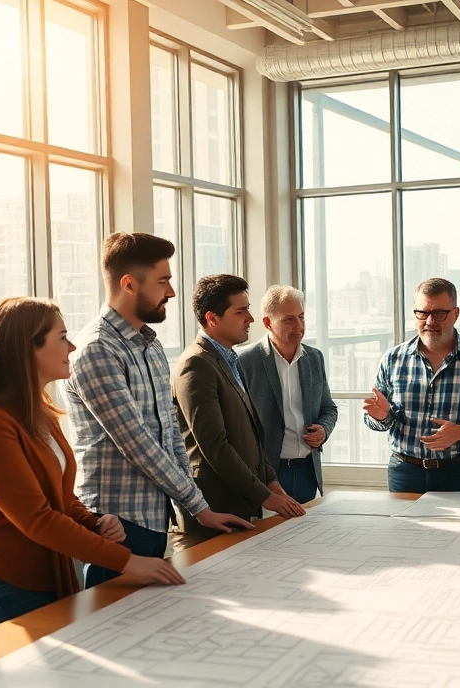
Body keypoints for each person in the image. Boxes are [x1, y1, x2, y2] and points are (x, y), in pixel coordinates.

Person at [0, 297, 192, 631]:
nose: (72, 346)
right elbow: (37, 518)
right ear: (27, 348)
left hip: (44, 571)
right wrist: (130, 561)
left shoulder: (39, 412)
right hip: (0, 583)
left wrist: (93, 522)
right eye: (61, 338)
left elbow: (58, 496)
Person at [65, 233, 252, 587]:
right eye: (163, 281)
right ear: (129, 284)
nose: (172, 292)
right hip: (115, 524)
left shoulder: (150, 346)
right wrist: (199, 507)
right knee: (110, 627)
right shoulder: (97, 350)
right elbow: (139, 445)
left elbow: (169, 435)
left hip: (155, 517)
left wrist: (193, 507)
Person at [175, 275, 305, 546]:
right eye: (241, 311)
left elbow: (251, 436)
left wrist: (271, 483)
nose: (251, 318)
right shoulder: (196, 365)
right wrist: (266, 496)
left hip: (239, 505)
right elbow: (216, 447)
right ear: (212, 318)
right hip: (214, 512)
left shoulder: (229, 359)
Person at [364, 278, 460, 493]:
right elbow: (378, 421)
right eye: (422, 313)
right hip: (405, 471)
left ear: (456, 313)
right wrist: (380, 416)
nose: (430, 321)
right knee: (404, 528)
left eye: (439, 314)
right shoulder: (393, 358)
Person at [238, 285, 339, 503]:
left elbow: (328, 408)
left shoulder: (314, 358)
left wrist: (324, 430)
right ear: (267, 323)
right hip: (268, 475)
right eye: (289, 319)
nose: (299, 326)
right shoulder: (245, 362)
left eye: (301, 317)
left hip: (307, 473)